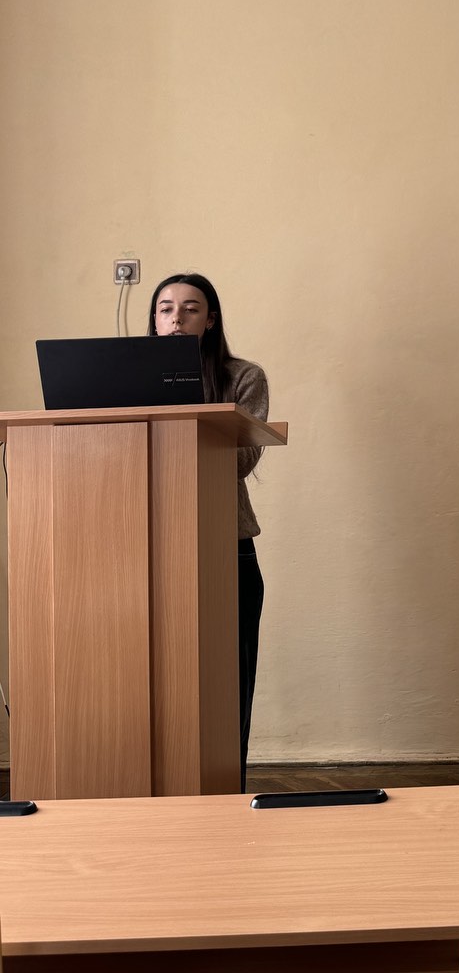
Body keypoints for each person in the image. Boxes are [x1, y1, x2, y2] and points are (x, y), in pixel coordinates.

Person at [148, 273, 268, 793]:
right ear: (154, 320)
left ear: (210, 319)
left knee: (225, 681)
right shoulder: (124, 380)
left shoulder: (243, 377)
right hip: (145, 545)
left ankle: (224, 793)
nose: (176, 318)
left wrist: (187, 403)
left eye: (190, 308)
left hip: (224, 546)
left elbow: (241, 459)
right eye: (165, 308)